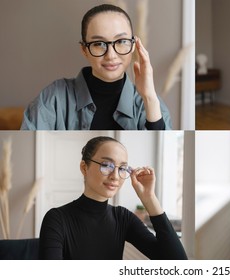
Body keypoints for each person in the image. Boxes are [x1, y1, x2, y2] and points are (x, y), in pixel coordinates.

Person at [21, 4, 171, 130]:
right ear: (84, 50)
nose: (111, 55)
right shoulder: (54, 98)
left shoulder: (152, 104)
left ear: (133, 45)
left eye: (121, 41)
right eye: (99, 44)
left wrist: (150, 98)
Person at [39, 136, 187, 260]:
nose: (115, 176)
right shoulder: (57, 219)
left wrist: (149, 198)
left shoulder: (123, 218)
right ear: (84, 168)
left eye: (122, 168)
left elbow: (177, 262)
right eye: (107, 165)